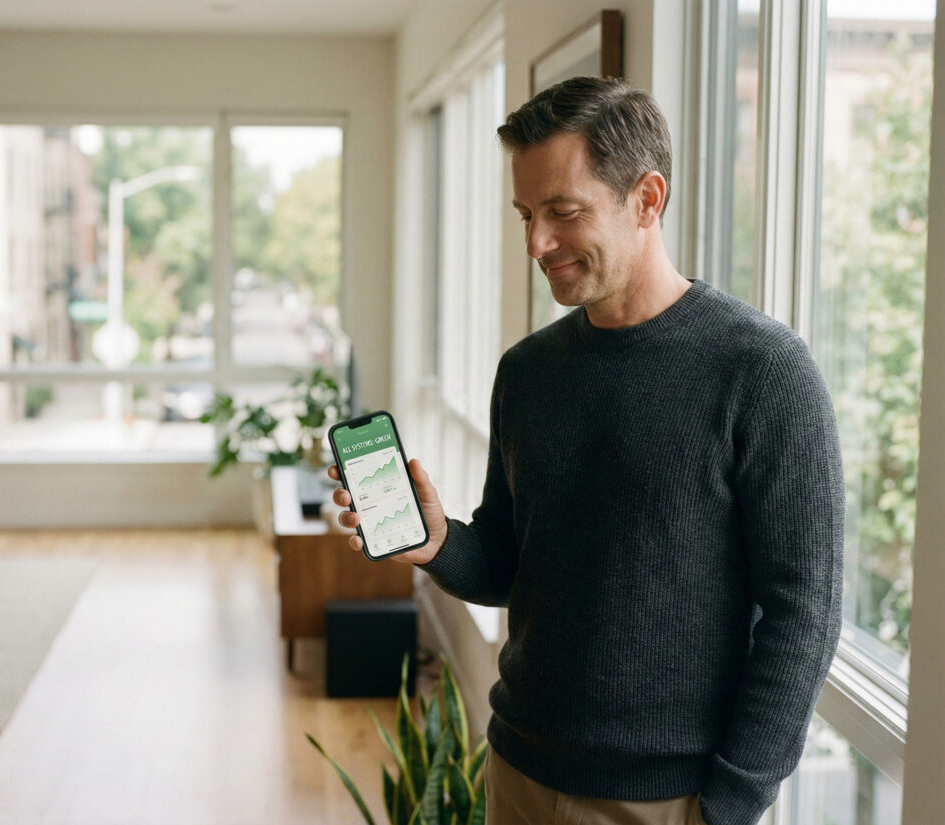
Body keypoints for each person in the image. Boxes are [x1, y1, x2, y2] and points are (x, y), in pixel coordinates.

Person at [330, 76, 843, 825]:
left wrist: (730, 805)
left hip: (665, 801)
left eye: (563, 213)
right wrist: (437, 542)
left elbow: (806, 614)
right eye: (526, 215)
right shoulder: (528, 371)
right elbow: (509, 565)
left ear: (647, 199)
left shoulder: (763, 371)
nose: (537, 244)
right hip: (518, 768)